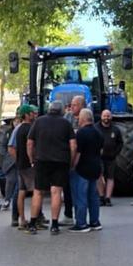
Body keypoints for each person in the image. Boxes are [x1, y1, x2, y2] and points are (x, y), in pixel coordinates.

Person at [27, 101, 75, 235]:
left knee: (38, 192)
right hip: (60, 162)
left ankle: (32, 223)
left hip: (42, 160)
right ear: (61, 111)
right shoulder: (66, 123)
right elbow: (73, 145)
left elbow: (30, 143)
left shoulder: (39, 122)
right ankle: (54, 225)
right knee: (56, 192)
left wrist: (32, 159)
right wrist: (70, 162)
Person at [70, 108, 104, 233]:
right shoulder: (98, 132)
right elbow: (100, 151)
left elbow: (78, 152)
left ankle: (81, 223)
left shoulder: (81, 133)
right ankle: (95, 222)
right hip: (95, 167)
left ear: (83, 118)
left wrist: (73, 165)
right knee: (93, 197)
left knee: (80, 197)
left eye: (79, 117)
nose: (77, 119)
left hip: (82, 169)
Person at [9, 105, 38, 231]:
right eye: (32, 113)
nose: (35, 114)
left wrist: (18, 160)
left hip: (21, 165)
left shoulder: (18, 129)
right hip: (29, 165)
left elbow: (12, 148)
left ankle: (22, 219)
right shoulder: (31, 129)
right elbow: (30, 145)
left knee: (21, 191)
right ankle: (34, 219)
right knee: (36, 192)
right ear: (26, 115)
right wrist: (32, 160)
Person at [61, 95, 86, 223]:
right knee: (67, 188)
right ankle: (68, 215)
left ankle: (81, 218)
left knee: (81, 190)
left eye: (75, 105)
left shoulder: (87, 118)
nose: (71, 107)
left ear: (82, 106)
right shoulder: (67, 118)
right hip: (68, 158)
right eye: (71, 104)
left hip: (82, 159)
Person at [95, 109, 123, 207]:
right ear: (101, 116)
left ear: (111, 117)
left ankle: (108, 198)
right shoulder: (96, 128)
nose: (106, 118)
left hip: (111, 157)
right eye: (104, 116)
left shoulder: (115, 129)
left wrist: (115, 153)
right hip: (98, 157)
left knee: (110, 177)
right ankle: (101, 197)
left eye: (108, 116)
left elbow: (120, 143)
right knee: (99, 177)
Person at [0, 115, 18, 227]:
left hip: (19, 160)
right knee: (10, 181)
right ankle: (7, 199)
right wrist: (6, 159)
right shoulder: (5, 132)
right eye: (15, 121)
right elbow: (2, 147)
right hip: (10, 161)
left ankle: (11, 201)